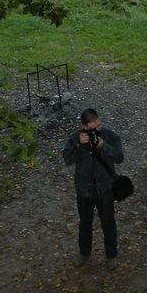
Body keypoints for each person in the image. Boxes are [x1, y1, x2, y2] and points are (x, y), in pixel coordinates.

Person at [62, 108, 124, 270]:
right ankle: (84, 253)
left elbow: (120, 158)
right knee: (85, 223)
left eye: (99, 125)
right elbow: (67, 159)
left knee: (109, 223)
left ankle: (111, 255)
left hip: (105, 189)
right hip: (84, 190)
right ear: (84, 127)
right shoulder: (75, 138)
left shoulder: (110, 135)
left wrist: (104, 146)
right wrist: (78, 145)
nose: (98, 130)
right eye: (93, 128)